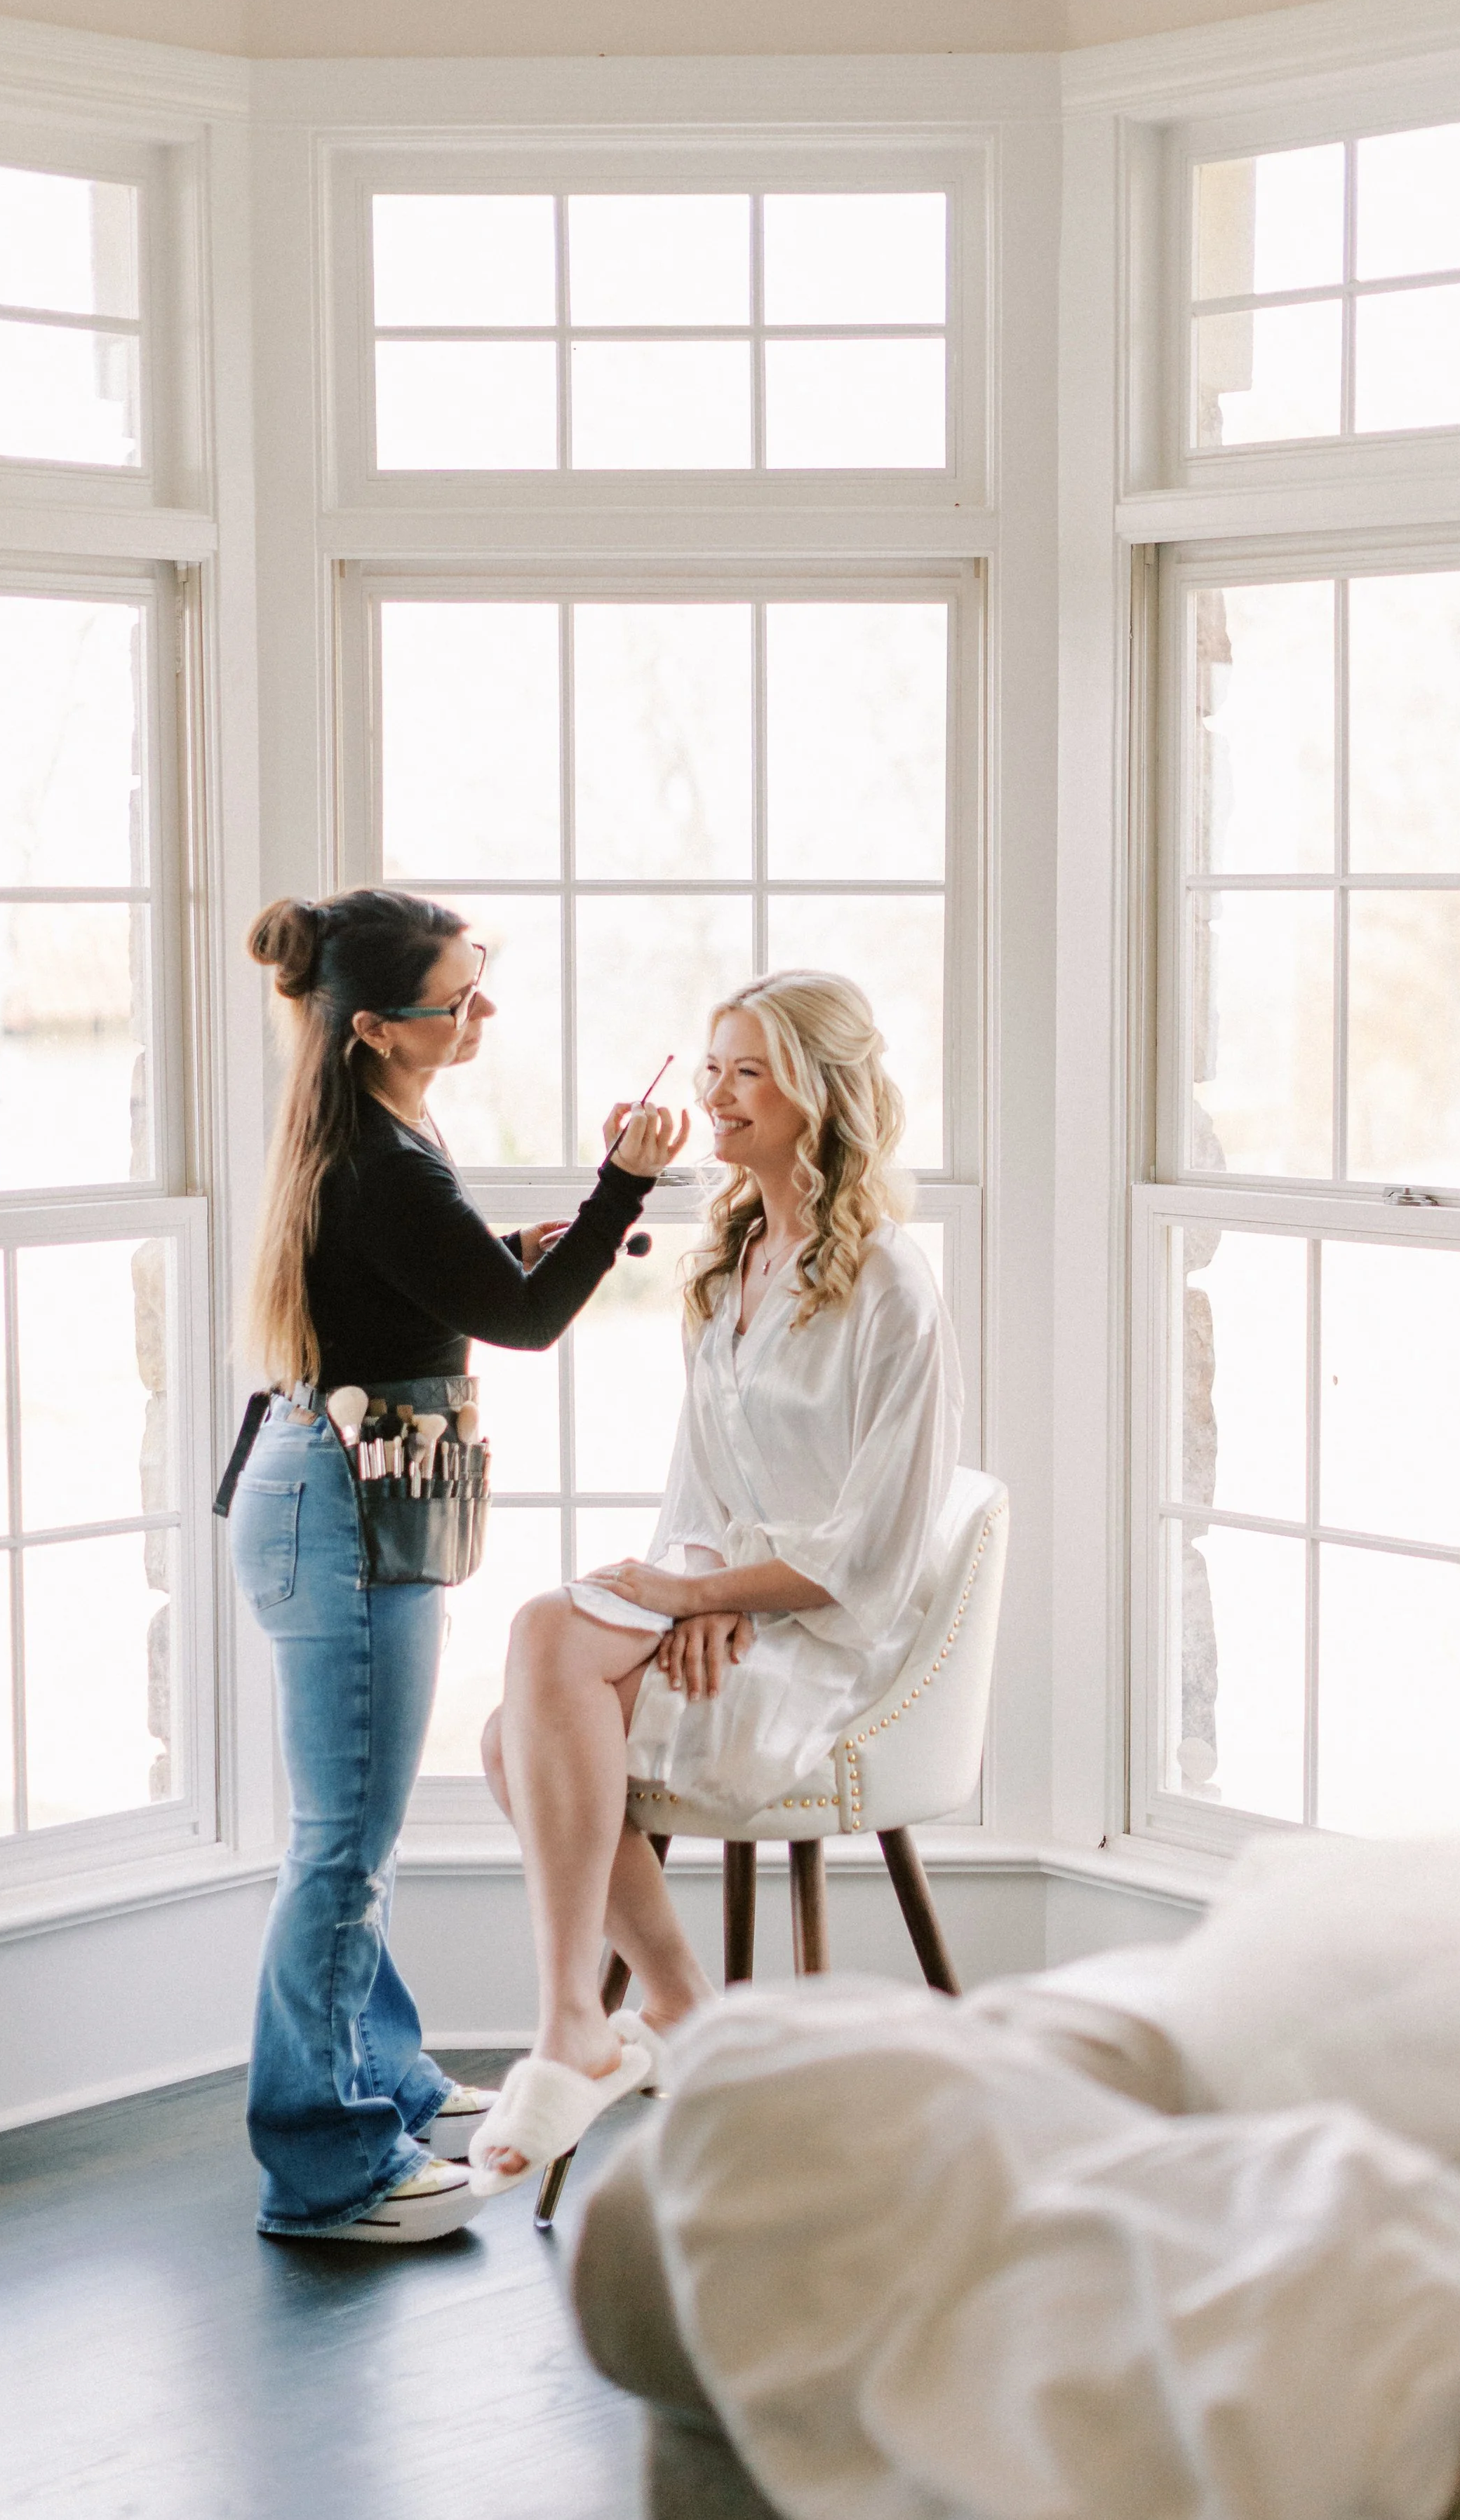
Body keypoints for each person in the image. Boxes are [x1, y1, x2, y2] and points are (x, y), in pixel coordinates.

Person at [227, 887, 686, 2244]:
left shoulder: (380, 1126)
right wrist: (621, 1189)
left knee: (355, 1836)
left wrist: (507, 1252)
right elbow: (529, 1323)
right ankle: (327, 2166)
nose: (482, 1009)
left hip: (336, 1489)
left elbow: (437, 1288)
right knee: (343, 1850)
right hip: (347, 1514)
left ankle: (377, 2077)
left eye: (482, 980)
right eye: (457, 997)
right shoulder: (382, 1157)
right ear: (375, 1027)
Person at [471, 969, 963, 2188]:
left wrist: (707, 1600)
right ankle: (640, 2016)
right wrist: (692, 1589)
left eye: (747, 1070)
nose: (715, 1094)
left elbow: (873, 1550)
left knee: (521, 1702)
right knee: (529, 1683)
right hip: (736, 1607)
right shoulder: (731, 1258)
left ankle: (609, 2022)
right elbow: (702, 1500)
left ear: (818, 1093)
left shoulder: (893, 1286)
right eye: (711, 1065)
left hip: (835, 1649)